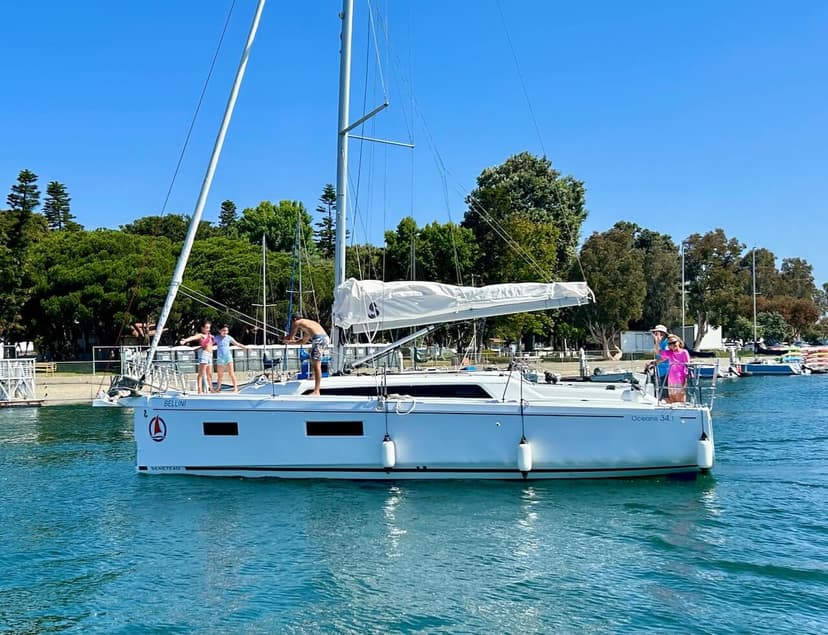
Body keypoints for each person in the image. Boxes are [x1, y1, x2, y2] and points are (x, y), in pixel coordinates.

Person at [282, 315, 329, 396]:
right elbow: (303, 341)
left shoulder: (297, 322)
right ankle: (314, 377)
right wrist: (290, 343)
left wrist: (284, 338)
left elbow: (291, 337)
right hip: (324, 338)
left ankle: (317, 391)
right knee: (313, 356)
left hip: (319, 339)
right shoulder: (308, 325)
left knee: (317, 364)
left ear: (294, 319)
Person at [180, 320, 215, 394]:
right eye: (206, 328)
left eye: (209, 328)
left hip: (210, 355)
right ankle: (199, 389)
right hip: (204, 354)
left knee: (209, 374)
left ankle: (211, 388)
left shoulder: (210, 336)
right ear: (202, 328)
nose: (208, 329)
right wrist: (185, 340)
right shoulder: (201, 335)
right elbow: (193, 337)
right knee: (201, 373)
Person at [213, 325, 250, 393]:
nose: (225, 332)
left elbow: (237, 344)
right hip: (220, 358)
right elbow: (209, 343)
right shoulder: (217, 338)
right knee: (220, 374)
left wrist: (245, 348)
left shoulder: (229, 337)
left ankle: (235, 388)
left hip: (228, 357)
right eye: (224, 330)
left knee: (231, 373)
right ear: (220, 331)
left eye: (226, 330)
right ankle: (218, 388)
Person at [659, 334, 692, 403]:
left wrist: (686, 381)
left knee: (680, 400)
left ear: (678, 342)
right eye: (670, 343)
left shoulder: (684, 352)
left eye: (674, 342)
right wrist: (657, 341)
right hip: (671, 379)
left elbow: (687, 367)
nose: (672, 345)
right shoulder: (670, 353)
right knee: (672, 399)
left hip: (680, 379)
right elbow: (659, 352)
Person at [645, 324, 670, 398]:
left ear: (662, 334)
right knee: (659, 390)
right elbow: (658, 353)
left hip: (667, 372)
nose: (654, 335)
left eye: (656, 333)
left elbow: (665, 357)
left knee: (665, 392)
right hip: (660, 372)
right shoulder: (660, 343)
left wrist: (655, 362)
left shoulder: (666, 343)